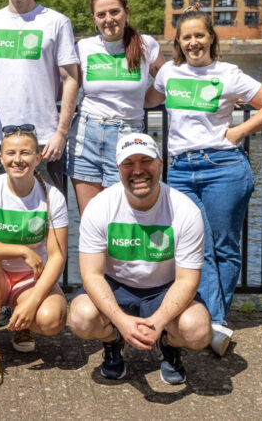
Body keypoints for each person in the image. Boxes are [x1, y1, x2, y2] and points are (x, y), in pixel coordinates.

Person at [147, 9, 262, 355]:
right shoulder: (169, 73)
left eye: (199, 36)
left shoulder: (228, 74)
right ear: (177, 43)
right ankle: (212, 324)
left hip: (222, 166)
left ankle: (214, 321)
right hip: (179, 169)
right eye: (186, 37)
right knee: (195, 246)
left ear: (211, 38)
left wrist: (238, 131)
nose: (193, 42)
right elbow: (149, 99)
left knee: (223, 247)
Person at [68, 133, 212, 385]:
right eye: (128, 164)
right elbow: (91, 274)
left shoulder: (185, 210)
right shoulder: (100, 206)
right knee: (81, 318)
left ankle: (169, 345)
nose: (138, 171)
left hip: (165, 289)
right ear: (118, 169)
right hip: (117, 286)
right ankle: (113, 341)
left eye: (146, 161)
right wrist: (120, 321)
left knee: (198, 331)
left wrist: (158, 323)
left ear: (160, 164)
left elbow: (187, 281)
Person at [0, 125, 68, 386]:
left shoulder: (53, 197)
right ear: (1, 158)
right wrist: (21, 250)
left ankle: (23, 323)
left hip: (28, 279)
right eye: (10, 153)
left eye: (25, 153)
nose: (17, 160)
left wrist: (32, 304)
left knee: (53, 319)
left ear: (38, 158)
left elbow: (57, 256)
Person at [0, 0, 79, 194]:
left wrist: (61, 134)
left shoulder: (57, 22)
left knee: (50, 217)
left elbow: (71, 79)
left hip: (45, 139)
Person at [66, 0, 165, 216]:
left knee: (121, 218)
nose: (108, 19)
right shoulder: (84, 48)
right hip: (85, 138)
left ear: (126, 12)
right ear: (94, 19)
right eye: (101, 14)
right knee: (90, 219)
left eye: (114, 12)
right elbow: (69, 88)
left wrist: (142, 103)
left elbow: (167, 82)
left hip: (127, 137)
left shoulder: (145, 45)